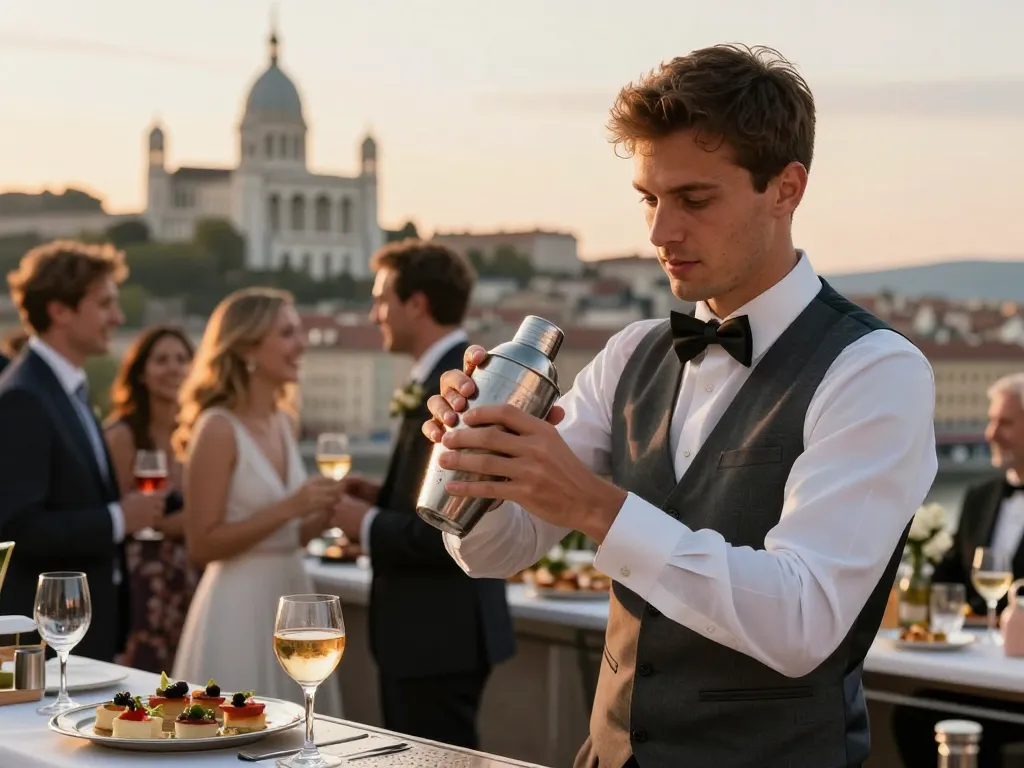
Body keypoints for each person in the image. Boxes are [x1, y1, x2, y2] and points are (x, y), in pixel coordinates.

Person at [421, 45, 938, 768]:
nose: (660, 233)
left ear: (786, 189)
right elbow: (498, 551)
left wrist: (599, 509)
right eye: (649, 199)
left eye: (694, 200)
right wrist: (475, 462)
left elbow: (803, 620)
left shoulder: (876, 371)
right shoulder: (633, 353)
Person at [330, 238, 515, 748]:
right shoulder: (448, 376)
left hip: (438, 636)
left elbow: (448, 525)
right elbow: (432, 493)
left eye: (382, 300)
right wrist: (381, 496)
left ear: (416, 304)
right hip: (436, 633)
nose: (374, 314)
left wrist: (359, 521)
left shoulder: (460, 386)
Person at [171, 288, 343, 713]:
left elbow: (289, 536)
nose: (301, 344)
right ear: (247, 346)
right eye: (287, 333)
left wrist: (323, 512)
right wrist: (290, 505)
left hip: (292, 593)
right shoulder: (217, 428)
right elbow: (201, 544)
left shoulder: (282, 421)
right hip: (239, 605)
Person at [0, 240, 164, 661]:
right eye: (105, 303)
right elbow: (19, 529)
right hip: (47, 645)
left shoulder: (64, 388)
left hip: (81, 635)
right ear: (59, 310)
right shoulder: (24, 397)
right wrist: (119, 518)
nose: (119, 317)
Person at [893, 372, 1024, 768]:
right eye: (991, 420)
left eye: (1005, 422)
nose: (989, 433)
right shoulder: (979, 495)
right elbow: (946, 579)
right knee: (911, 714)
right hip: (981, 672)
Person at [104, 325, 200, 673]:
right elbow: (114, 513)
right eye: (161, 360)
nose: (174, 368)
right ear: (141, 373)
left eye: (182, 359)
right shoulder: (121, 436)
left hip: (192, 579)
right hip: (141, 586)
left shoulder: (199, 435)